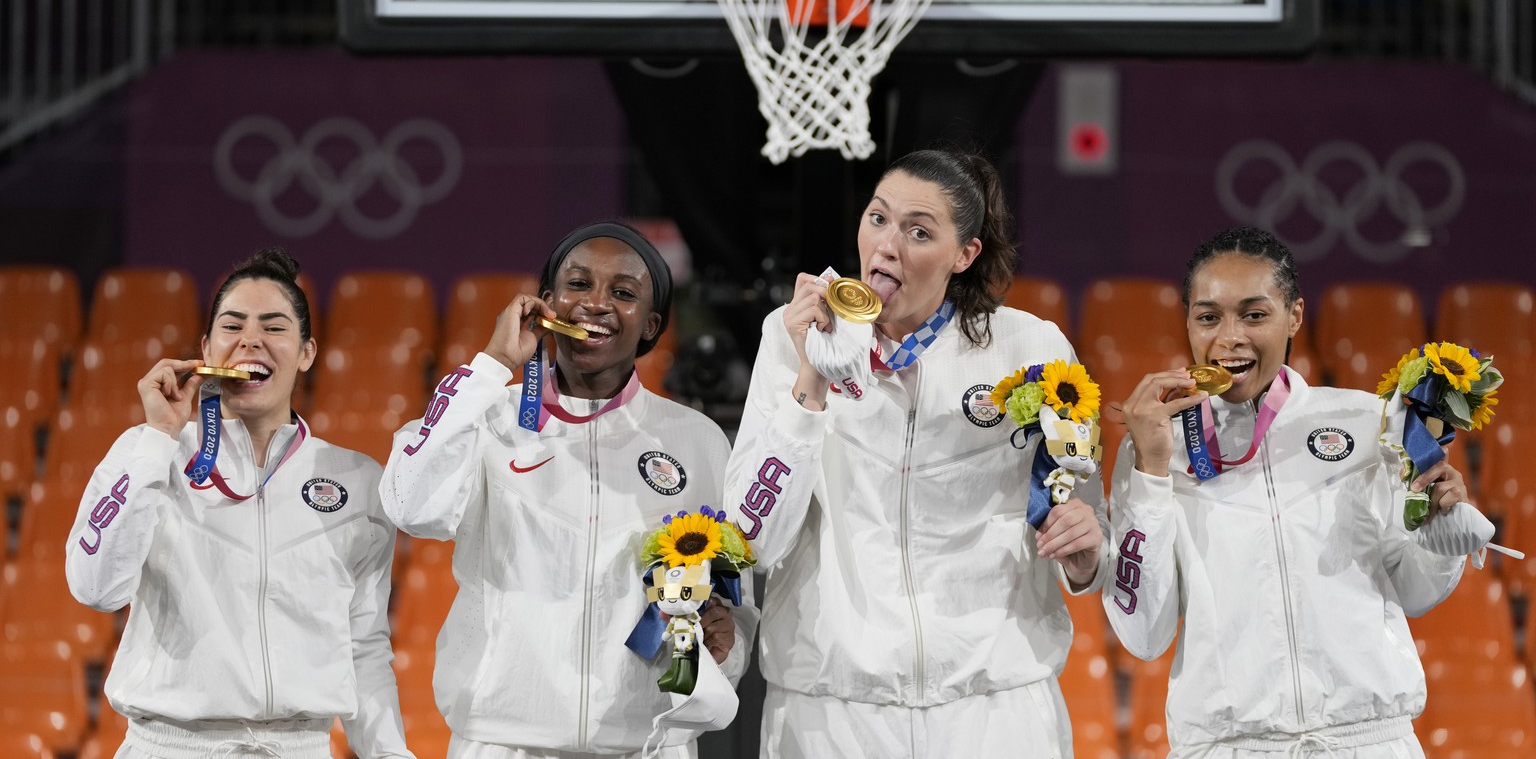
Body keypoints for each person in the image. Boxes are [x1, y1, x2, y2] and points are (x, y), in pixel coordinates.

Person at [724, 148, 1109, 758]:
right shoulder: (791, 334)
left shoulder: (1030, 346)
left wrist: (1087, 554)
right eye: (877, 219)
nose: (887, 245)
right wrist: (811, 380)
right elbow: (752, 540)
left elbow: (1086, 526)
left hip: (993, 707)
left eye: (918, 231)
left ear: (965, 254)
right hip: (830, 709)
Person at [380, 221, 757, 759]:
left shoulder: (697, 440)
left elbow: (729, 599)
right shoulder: (490, 418)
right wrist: (490, 366)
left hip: (647, 744)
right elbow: (410, 505)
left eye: (623, 293)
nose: (596, 304)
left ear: (651, 325)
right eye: (578, 285)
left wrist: (726, 647)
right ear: (547, 303)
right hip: (504, 741)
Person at [1103, 226, 1469, 758]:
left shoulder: (1366, 421)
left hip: (1366, 741)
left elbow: (1414, 592)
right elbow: (1143, 634)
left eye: (1255, 314)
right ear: (1187, 322)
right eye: (1209, 317)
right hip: (1228, 746)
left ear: (1294, 315)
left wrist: (1437, 528)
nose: (1230, 337)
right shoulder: (1154, 445)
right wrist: (1152, 472)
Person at [65, 248, 414, 758]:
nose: (251, 339)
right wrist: (159, 436)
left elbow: (363, 644)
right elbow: (95, 587)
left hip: (298, 747)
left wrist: (389, 755)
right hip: (170, 746)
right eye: (233, 326)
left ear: (307, 352)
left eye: (274, 327)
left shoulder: (356, 481)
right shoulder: (148, 455)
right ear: (207, 347)